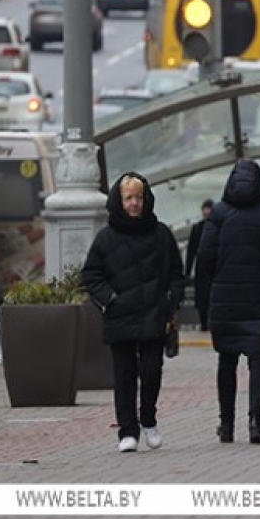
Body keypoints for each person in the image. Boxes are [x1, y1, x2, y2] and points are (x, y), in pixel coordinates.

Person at [81, 172, 186, 454]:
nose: (134, 203)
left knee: (152, 372)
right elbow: (91, 275)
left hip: (154, 314)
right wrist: (110, 300)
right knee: (124, 376)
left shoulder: (161, 233)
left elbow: (177, 273)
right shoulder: (106, 238)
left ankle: (149, 419)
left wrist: (170, 301)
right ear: (119, 200)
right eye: (129, 198)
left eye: (139, 197)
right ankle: (128, 430)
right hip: (121, 316)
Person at [196, 160, 260, 446]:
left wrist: (214, 287)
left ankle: (226, 424)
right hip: (259, 296)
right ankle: (256, 422)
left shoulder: (219, 213)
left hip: (226, 296)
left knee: (227, 358)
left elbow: (205, 256)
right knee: (257, 359)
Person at [185, 199, 214, 330]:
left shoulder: (202, 228)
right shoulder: (198, 228)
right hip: (204, 269)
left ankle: (207, 324)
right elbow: (191, 251)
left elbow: (191, 252)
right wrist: (187, 271)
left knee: (208, 297)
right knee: (203, 298)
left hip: (210, 269)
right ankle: (204, 324)